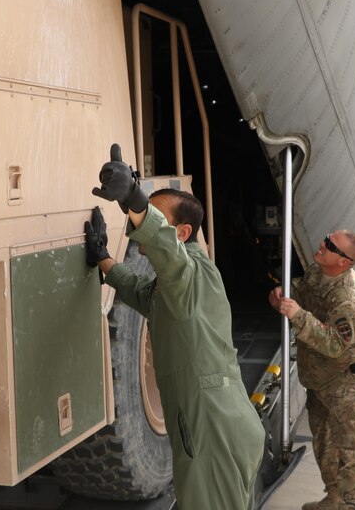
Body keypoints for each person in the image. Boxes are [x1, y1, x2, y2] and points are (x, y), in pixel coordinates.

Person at [84, 144, 266, 510]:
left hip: (213, 432)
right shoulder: (177, 287)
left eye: (154, 215)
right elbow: (140, 293)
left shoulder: (191, 273)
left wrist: (136, 199)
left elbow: (168, 254)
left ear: (182, 233)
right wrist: (103, 258)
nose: (141, 222)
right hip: (212, 423)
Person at [268, 229, 355, 509]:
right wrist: (283, 293)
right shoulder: (319, 272)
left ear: (344, 262)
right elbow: (303, 290)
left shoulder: (350, 298)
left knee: (353, 451)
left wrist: (297, 315)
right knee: (325, 445)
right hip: (321, 380)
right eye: (325, 238)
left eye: (330, 245)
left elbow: (334, 344)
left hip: (346, 384)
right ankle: (336, 497)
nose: (321, 244)